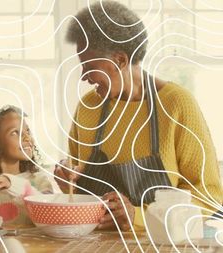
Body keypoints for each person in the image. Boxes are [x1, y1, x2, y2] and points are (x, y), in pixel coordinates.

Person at [54, 1, 223, 232]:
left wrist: (139, 216)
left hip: (158, 241)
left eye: (90, 66)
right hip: (93, 242)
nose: (84, 77)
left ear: (120, 60)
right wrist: (67, 177)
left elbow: (207, 194)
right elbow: (78, 190)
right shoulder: (87, 107)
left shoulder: (176, 104)